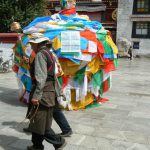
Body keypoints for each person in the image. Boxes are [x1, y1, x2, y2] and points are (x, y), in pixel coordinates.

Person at [26, 33, 66, 150]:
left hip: (43, 93)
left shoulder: (40, 54)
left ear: (37, 43)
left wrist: (36, 96)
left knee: (39, 121)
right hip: (49, 92)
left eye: (32, 44)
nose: (32, 46)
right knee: (38, 121)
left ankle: (58, 142)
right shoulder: (49, 53)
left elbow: (41, 77)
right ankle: (37, 146)